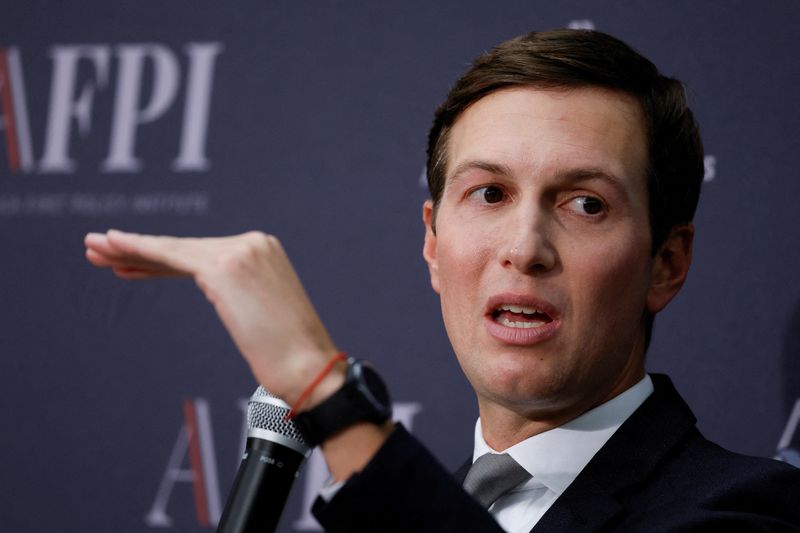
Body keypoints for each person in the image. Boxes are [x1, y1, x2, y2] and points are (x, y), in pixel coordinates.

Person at [84, 29, 800, 531]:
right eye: (489, 194)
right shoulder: (413, 509)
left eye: (586, 204)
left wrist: (322, 386)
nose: (524, 248)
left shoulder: (756, 508)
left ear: (666, 264)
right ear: (432, 241)